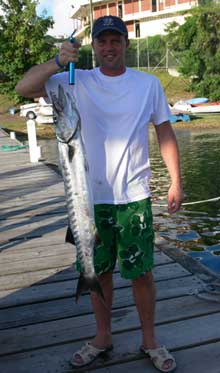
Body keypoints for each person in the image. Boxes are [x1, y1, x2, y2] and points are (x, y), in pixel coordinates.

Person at [16, 15, 183, 372]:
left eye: (115, 41)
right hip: (88, 201)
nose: (109, 48)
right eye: (103, 41)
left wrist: (176, 181)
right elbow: (24, 86)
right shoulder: (71, 81)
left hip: (134, 196)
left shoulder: (148, 85)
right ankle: (103, 336)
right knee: (99, 271)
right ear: (94, 45)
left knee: (142, 274)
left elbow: (165, 132)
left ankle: (150, 339)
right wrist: (59, 61)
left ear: (125, 44)